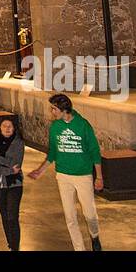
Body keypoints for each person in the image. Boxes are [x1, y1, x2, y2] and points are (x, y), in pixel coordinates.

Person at [28, 93, 104, 251]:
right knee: (70, 217)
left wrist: (99, 177)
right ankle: (79, 248)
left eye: (54, 109)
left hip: (83, 175)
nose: (52, 112)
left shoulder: (83, 125)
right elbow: (53, 152)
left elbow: (94, 151)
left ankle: (94, 235)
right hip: (63, 176)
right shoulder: (55, 127)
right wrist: (40, 170)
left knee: (89, 214)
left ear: (64, 109)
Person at [0, 117, 25, 251]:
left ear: (14, 128)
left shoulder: (18, 143)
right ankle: (10, 243)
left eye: (10, 126)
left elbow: (16, 163)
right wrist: (9, 170)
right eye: (4, 126)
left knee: (12, 216)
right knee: (4, 216)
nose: (7, 128)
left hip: (15, 184)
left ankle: (15, 247)